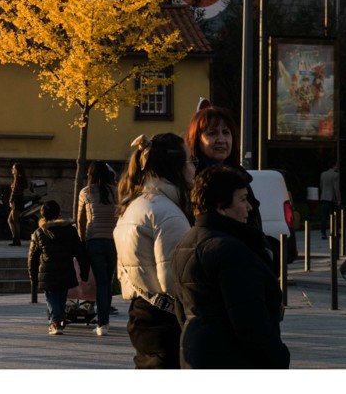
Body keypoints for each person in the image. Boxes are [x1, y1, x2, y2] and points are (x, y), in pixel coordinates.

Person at [170, 165, 290, 369]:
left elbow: (182, 312)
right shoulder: (232, 251)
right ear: (221, 206)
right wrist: (279, 357)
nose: (250, 207)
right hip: (234, 358)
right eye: (243, 199)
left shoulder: (185, 244)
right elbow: (250, 324)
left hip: (195, 352)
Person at [114, 133, 194, 368]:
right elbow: (176, 282)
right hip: (167, 321)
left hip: (141, 313)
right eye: (191, 161)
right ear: (175, 166)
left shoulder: (135, 204)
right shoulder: (167, 213)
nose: (194, 168)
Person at [184, 102, 266, 260]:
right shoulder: (192, 181)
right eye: (212, 133)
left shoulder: (241, 178)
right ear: (197, 140)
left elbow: (254, 224)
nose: (221, 140)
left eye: (226, 133)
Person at [27, 200, 90, 336]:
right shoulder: (70, 231)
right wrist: (84, 271)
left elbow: (32, 258)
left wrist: (33, 277)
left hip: (48, 274)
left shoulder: (39, 233)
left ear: (43, 215)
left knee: (52, 298)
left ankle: (56, 322)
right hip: (66, 271)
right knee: (60, 297)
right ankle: (58, 321)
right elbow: (80, 253)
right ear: (59, 213)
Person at [77, 161, 119, 336]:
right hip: (114, 241)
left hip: (94, 240)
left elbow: (80, 219)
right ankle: (104, 321)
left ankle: (102, 323)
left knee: (101, 282)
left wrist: (82, 239)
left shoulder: (86, 192)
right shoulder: (117, 192)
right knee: (106, 282)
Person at [319, 160, 340, 239]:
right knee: (334, 216)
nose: (337, 167)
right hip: (332, 198)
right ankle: (334, 232)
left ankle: (323, 233)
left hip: (324, 197)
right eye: (337, 166)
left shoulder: (323, 174)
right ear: (334, 166)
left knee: (324, 216)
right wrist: (338, 199)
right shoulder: (336, 175)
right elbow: (336, 188)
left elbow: (321, 185)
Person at [7, 162, 27, 246]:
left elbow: (15, 192)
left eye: (13, 168)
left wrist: (10, 200)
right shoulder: (19, 178)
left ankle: (17, 240)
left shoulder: (18, 178)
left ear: (17, 170)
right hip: (18, 200)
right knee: (11, 220)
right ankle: (15, 239)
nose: (12, 170)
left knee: (14, 221)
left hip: (16, 200)